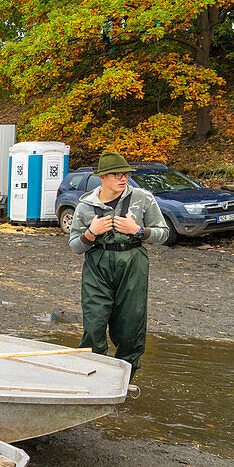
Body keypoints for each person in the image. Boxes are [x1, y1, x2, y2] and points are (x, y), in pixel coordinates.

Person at [69, 152, 168, 376]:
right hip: (97, 266)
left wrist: (139, 231)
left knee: (130, 327)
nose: (123, 179)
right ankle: (92, 379)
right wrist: (91, 234)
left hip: (133, 264)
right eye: (116, 175)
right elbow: (75, 246)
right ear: (102, 178)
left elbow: (164, 234)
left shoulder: (143, 198)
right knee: (93, 326)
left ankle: (123, 383)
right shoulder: (85, 205)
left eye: (125, 174)